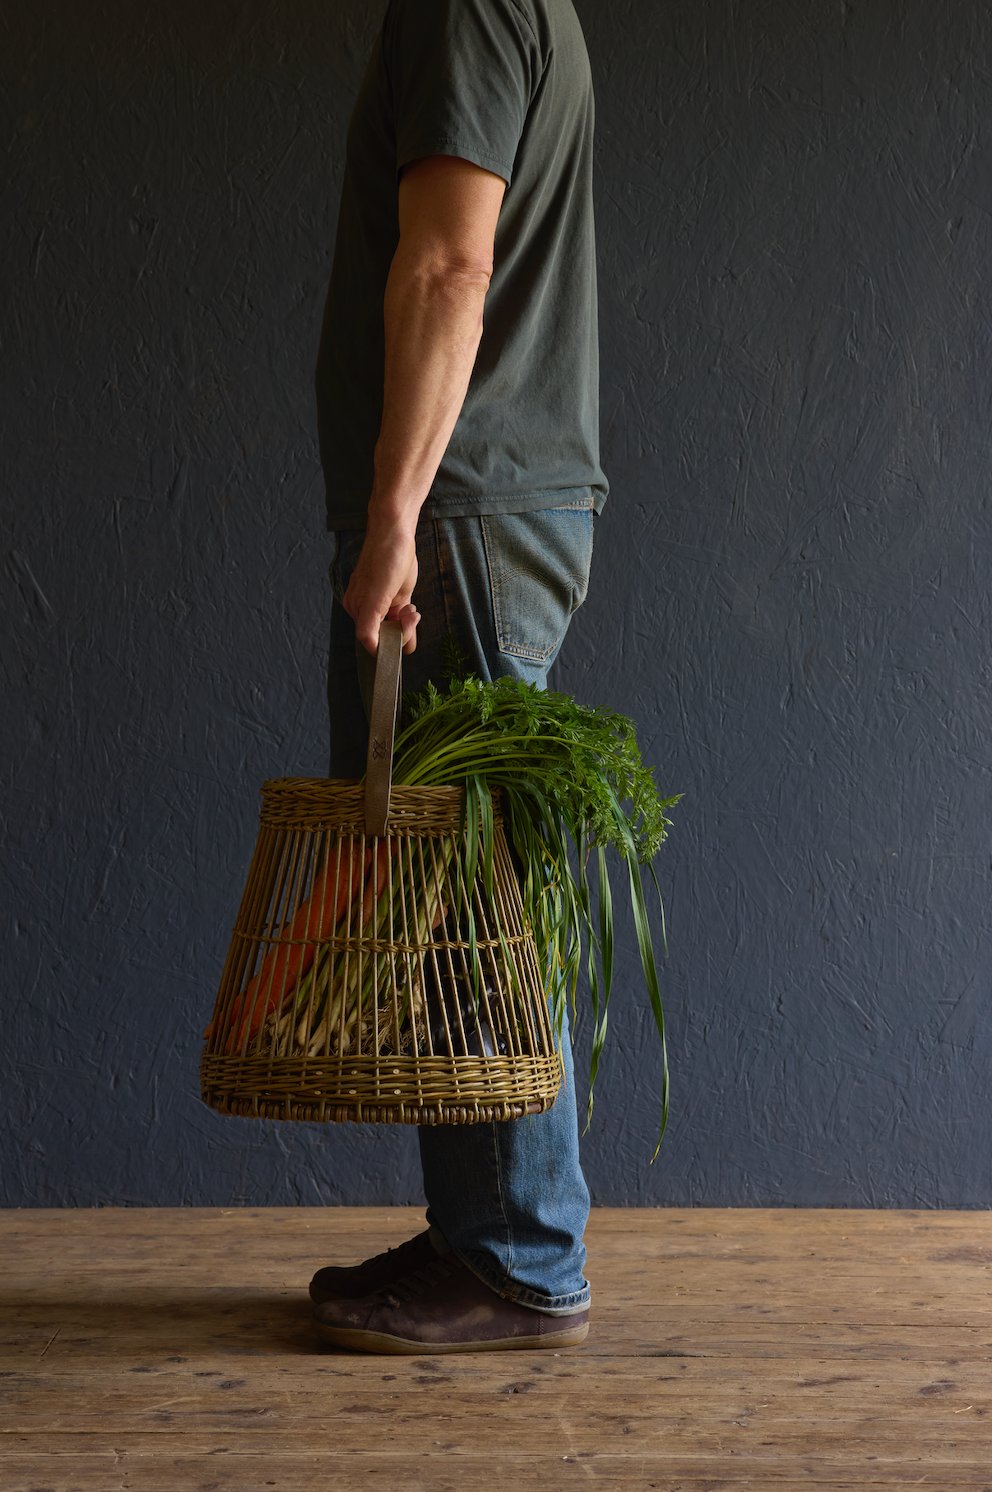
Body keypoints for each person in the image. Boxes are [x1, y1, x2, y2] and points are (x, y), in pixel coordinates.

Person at [309, 0, 609, 1353]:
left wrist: (394, 521)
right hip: (487, 504)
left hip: (464, 511)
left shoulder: (465, 6)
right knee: (465, 885)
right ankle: (487, 1228)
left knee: (471, 890)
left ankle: (517, 1253)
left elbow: (447, 264)